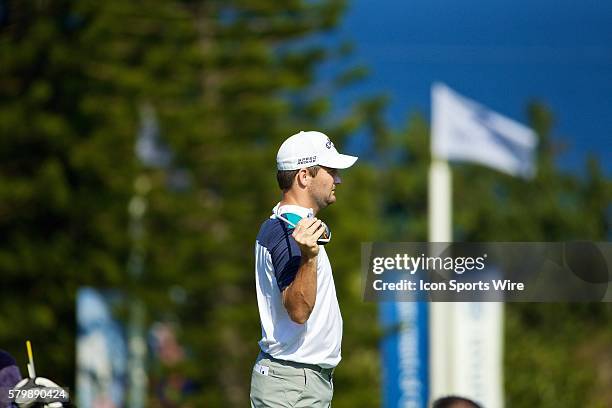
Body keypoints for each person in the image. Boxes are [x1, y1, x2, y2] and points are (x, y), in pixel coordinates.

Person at [250, 131, 358, 408]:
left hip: (296, 382)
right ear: (304, 176)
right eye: (330, 171)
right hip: (293, 384)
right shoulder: (289, 232)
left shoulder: (286, 226)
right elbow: (298, 310)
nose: (337, 179)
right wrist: (309, 257)